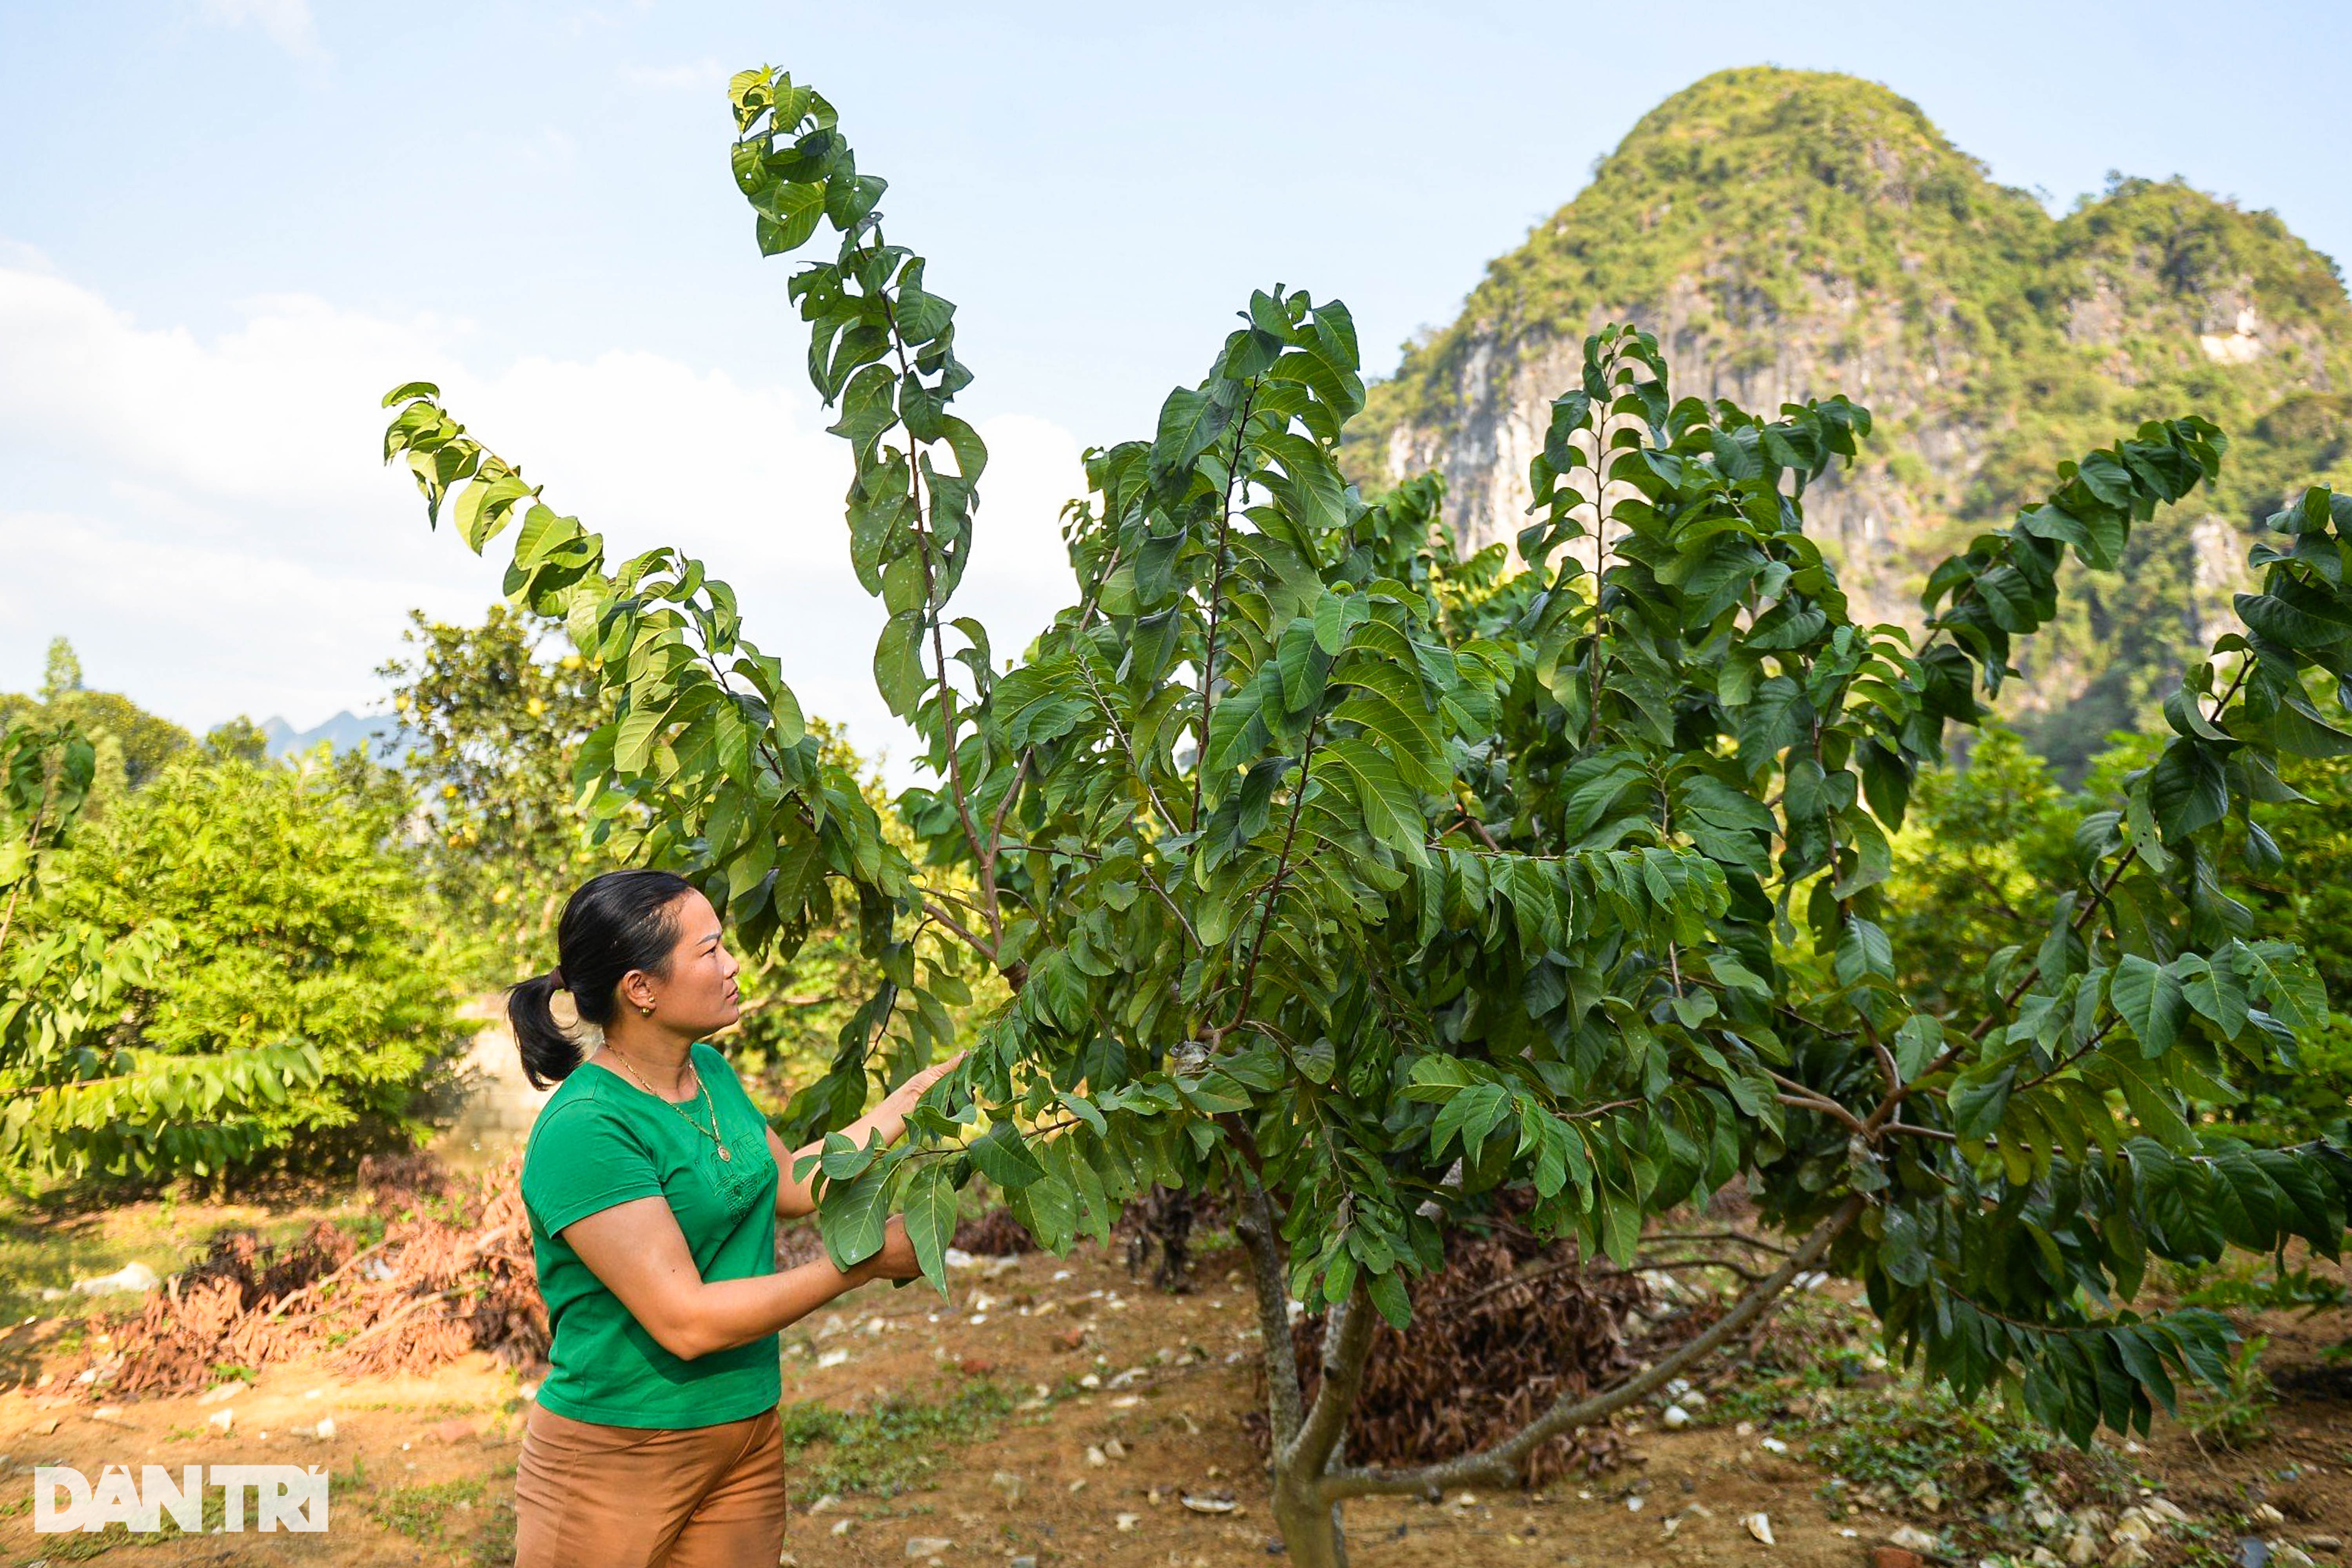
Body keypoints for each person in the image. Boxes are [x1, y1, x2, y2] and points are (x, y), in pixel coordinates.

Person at [503, 867, 962, 1568]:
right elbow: (686, 1320)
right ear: (642, 990)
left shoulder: (709, 1072)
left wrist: (914, 1098)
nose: (732, 965)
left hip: (742, 1431)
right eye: (710, 950)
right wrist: (860, 1265)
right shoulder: (588, 1128)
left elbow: (789, 1182)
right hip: (618, 1452)